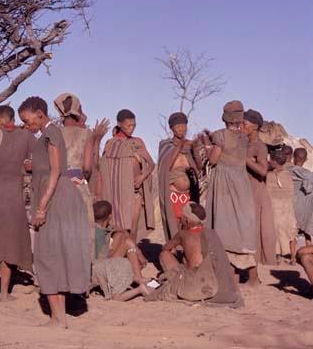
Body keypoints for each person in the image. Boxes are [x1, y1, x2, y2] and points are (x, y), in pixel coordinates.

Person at [18, 96, 91, 328]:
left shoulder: (51, 133)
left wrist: (41, 208)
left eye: (28, 121)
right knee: (53, 256)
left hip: (56, 200)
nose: (27, 126)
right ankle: (58, 317)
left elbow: (56, 171)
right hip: (56, 198)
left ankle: (58, 318)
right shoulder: (45, 135)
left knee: (46, 255)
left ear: (40, 114)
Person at [0, 105, 33, 302]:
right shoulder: (25, 136)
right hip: (12, 195)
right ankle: (4, 293)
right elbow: (37, 153)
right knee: (9, 242)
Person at [145, 203, 243, 308]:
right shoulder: (212, 234)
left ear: (186, 221)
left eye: (181, 219)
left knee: (164, 255)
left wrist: (178, 242)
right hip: (212, 280)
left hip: (194, 285)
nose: (180, 221)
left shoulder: (182, 234)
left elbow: (165, 248)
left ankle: (175, 281)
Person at [205, 101, 257, 278]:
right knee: (240, 225)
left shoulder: (220, 136)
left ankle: (228, 271)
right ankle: (251, 275)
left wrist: (207, 151)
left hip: (224, 184)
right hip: (241, 183)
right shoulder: (244, 137)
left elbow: (213, 160)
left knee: (224, 224)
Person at [53, 92, 110, 256]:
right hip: (78, 186)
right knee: (81, 229)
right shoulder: (86, 134)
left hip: (57, 186)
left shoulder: (54, 133)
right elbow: (87, 167)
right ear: (77, 110)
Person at [99, 109, 155, 245]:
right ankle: (121, 256)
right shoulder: (110, 144)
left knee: (132, 227)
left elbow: (151, 164)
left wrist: (142, 177)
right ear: (119, 124)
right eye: (128, 125)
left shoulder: (137, 142)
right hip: (116, 194)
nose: (131, 128)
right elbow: (105, 169)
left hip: (135, 192)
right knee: (118, 228)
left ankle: (132, 256)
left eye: (134, 125)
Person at [242, 109, 277, 284]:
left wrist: (246, 159)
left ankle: (253, 277)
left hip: (255, 193)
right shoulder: (244, 143)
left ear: (254, 126)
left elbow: (263, 171)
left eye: (245, 123)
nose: (242, 126)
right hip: (244, 193)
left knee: (252, 234)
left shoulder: (259, 146)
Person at [91, 200, 150, 300]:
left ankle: (138, 277)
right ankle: (138, 277)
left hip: (100, 264)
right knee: (127, 242)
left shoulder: (96, 228)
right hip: (101, 267)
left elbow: (119, 231)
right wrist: (138, 252)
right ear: (109, 216)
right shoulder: (99, 234)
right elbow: (101, 257)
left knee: (124, 238)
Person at [158, 112, 203, 241]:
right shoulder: (165, 145)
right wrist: (180, 146)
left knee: (189, 223)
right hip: (172, 194)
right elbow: (167, 165)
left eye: (184, 126)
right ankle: (174, 251)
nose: (181, 129)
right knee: (175, 224)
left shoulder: (190, 145)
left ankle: (188, 252)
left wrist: (195, 149)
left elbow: (199, 168)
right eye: (178, 127)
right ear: (171, 128)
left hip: (189, 194)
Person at [266, 149, 297, 264]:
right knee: (291, 231)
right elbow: (291, 192)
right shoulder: (288, 175)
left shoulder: (269, 175)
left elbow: (267, 192)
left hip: (275, 208)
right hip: (287, 208)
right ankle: (293, 257)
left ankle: (277, 256)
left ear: (274, 161)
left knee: (276, 231)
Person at [287, 148, 313, 245]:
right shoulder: (309, 175)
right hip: (304, 211)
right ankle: (309, 252)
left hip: (291, 208)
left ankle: (292, 256)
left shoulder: (287, 170)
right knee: (306, 232)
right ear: (306, 159)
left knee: (292, 233)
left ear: (293, 158)